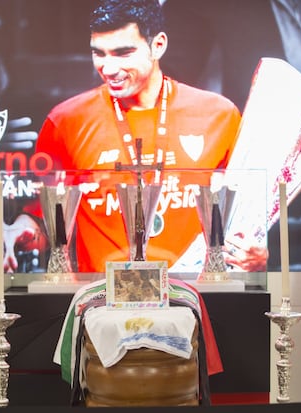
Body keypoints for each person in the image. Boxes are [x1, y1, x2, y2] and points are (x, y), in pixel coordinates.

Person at [34, 0, 241, 273]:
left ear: (158, 46)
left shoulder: (219, 116)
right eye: (99, 53)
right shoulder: (65, 121)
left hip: (192, 297)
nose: (108, 68)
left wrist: (252, 255)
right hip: (99, 303)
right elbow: (43, 218)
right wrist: (26, 231)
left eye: (123, 53)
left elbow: (242, 219)